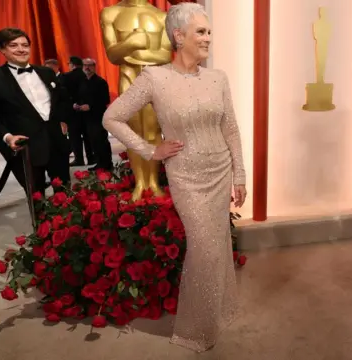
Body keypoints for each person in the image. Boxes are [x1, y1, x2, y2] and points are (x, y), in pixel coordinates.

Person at [102, 3, 246, 353]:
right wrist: (151, 150)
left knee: (218, 245)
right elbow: (112, 117)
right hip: (187, 176)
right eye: (201, 31)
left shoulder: (218, 78)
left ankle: (219, 310)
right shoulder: (154, 78)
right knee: (204, 249)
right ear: (178, 36)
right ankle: (196, 330)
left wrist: (239, 173)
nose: (208, 38)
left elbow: (230, 128)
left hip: (219, 168)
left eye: (209, 31)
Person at [0, 28, 71, 194]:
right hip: (26, 149)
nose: (21, 49)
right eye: (13, 45)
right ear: (2, 50)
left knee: (66, 194)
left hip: (57, 144)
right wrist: (8, 137)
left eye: (25, 45)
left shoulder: (47, 73)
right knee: (37, 201)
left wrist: (63, 121)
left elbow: (62, 100)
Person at [62, 56, 95, 166]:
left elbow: (63, 94)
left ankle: (79, 159)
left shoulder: (66, 76)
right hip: (88, 111)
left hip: (73, 111)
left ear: (72, 64)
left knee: (75, 137)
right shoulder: (87, 76)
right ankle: (91, 158)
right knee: (88, 136)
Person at [80, 58, 112, 171]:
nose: (87, 67)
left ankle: (107, 164)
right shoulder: (82, 81)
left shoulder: (100, 82)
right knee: (93, 141)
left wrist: (90, 106)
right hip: (86, 117)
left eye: (90, 65)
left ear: (94, 67)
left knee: (101, 140)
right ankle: (99, 163)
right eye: (85, 65)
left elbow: (105, 100)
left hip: (98, 116)